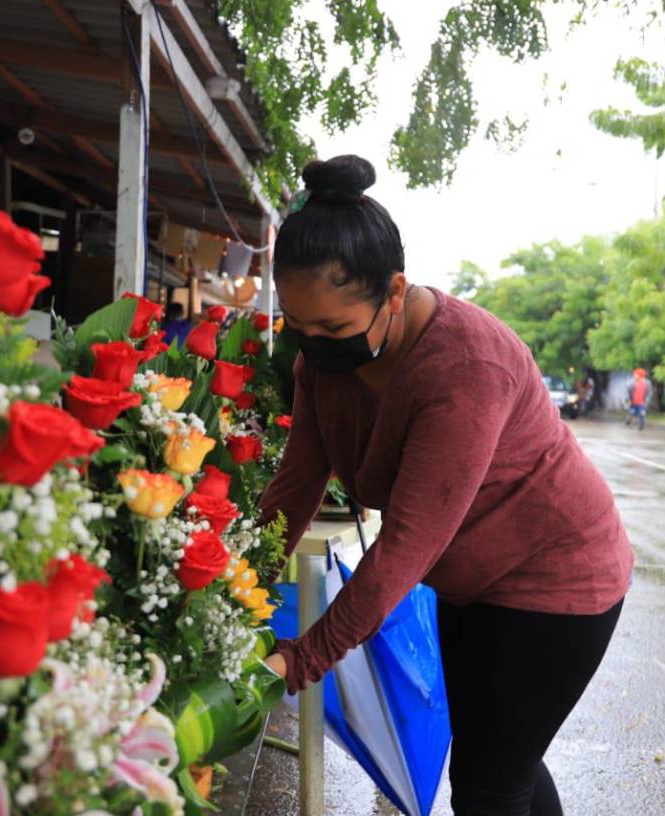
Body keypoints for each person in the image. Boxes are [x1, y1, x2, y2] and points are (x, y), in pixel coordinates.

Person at [259, 155, 633, 816]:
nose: (315, 349)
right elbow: (295, 486)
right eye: (300, 328)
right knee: (502, 760)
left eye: (336, 330)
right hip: (473, 582)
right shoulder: (322, 365)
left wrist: (301, 658)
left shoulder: (463, 366)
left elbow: (405, 547)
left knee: (490, 782)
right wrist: (235, 589)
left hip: (559, 581)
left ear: (394, 293)